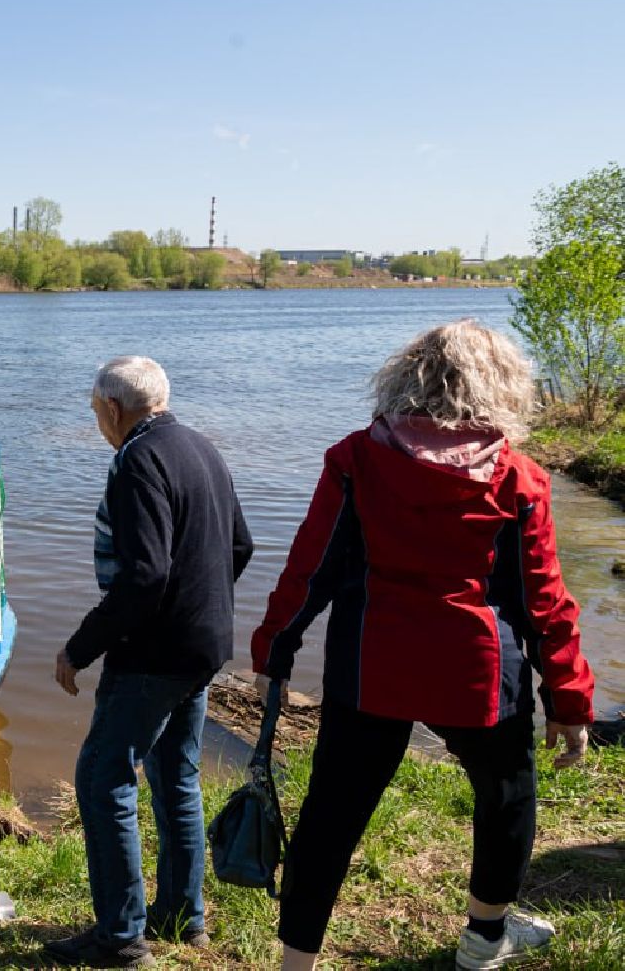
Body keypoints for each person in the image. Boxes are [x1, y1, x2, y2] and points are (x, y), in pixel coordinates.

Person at [250, 320, 595, 971]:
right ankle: (483, 939)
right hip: (476, 673)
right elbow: (543, 601)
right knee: (506, 795)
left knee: (331, 812)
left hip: (369, 666)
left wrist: (274, 650)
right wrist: (568, 699)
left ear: (404, 376)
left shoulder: (355, 459)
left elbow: (309, 570)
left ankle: (296, 964)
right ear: (501, 385)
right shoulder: (517, 477)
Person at [47, 356, 253, 968]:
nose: (97, 424)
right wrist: (199, 605)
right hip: (202, 646)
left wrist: (79, 648)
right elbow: (239, 545)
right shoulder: (201, 447)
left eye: (96, 413)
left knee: (102, 777)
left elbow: (144, 576)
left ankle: (120, 936)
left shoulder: (137, 460)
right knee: (175, 775)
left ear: (113, 409)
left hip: (152, 655)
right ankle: (184, 916)